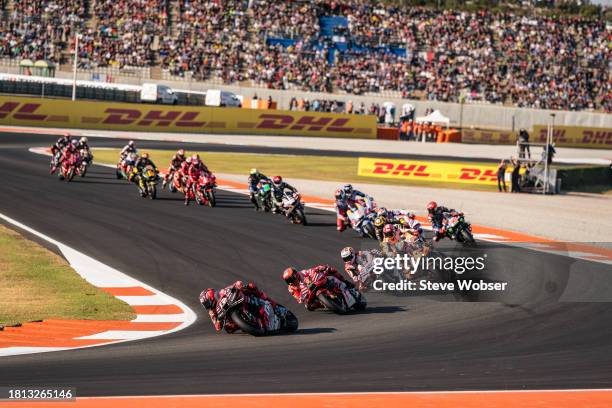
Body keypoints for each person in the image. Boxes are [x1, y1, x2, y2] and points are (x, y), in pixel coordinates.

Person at [199, 281, 280, 333]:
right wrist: (218, 321)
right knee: (228, 329)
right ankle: (249, 324)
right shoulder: (211, 312)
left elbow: (230, 287)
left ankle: (271, 303)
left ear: (211, 297)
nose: (207, 306)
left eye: (206, 303)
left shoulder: (220, 293)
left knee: (251, 287)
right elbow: (218, 328)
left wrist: (237, 285)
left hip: (235, 301)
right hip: (229, 317)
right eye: (205, 304)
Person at [282, 265, 353, 310]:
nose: (290, 281)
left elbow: (311, 271)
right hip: (308, 293)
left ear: (295, 274)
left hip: (316, 283)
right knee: (309, 307)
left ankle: (345, 282)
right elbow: (299, 299)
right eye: (288, 280)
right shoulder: (291, 288)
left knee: (329, 270)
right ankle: (326, 303)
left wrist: (318, 268)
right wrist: (303, 295)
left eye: (291, 278)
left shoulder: (302, 273)